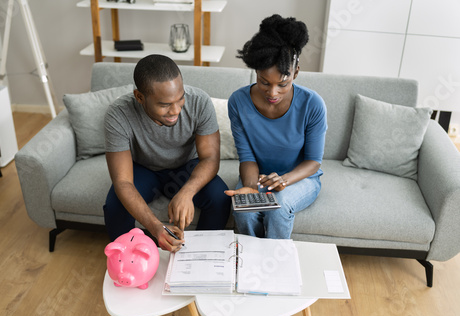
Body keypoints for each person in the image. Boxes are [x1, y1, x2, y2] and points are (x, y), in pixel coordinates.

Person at [104, 54, 231, 252]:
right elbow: (123, 182)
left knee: (220, 198)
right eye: (164, 105)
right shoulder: (118, 115)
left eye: (180, 100)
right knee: (114, 206)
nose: (175, 111)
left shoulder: (199, 102)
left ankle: (200, 256)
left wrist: (187, 192)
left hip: (186, 167)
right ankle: (130, 261)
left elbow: (211, 158)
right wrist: (156, 227)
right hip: (144, 170)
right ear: (140, 97)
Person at [225, 15, 327, 239]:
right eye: (264, 82)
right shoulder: (238, 102)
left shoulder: (312, 104)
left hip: (300, 178)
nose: (273, 93)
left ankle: (276, 269)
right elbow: (247, 157)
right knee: (244, 212)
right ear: (255, 72)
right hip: (259, 177)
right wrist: (251, 188)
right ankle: (251, 265)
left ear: (296, 72)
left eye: (283, 84)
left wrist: (285, 180)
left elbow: (313, 162)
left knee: (279, 205)